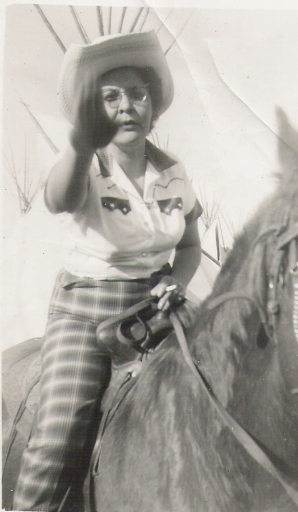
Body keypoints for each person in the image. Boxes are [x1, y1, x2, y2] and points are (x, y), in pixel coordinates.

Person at [13, 30, 202, 511]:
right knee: (57, 437)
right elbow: (59, 199)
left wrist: (175, 281)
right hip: (86, 314)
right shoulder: (84, 163)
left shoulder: (175, 171)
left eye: (138, 95)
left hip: (157, 311)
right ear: (94, 112)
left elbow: (191, 244)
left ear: (153, 106)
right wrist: (78, 145)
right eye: (111, 96)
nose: (126, 106)